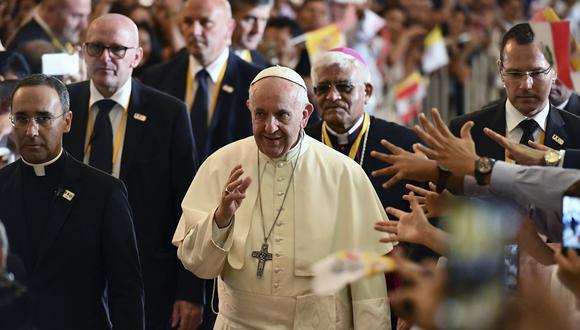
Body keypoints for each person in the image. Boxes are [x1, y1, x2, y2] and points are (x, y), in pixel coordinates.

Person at [173, 66, 392, 329]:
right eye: (260, 114)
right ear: (249, 109)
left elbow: (367, 285)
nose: (270, 127)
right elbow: (199, 267)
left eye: (282, 115)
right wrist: (221, 218)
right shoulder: (221, 164)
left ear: (305, 114)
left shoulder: (343, 174)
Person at [61, 14, 200, 330]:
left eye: (117, 49)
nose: (105, 57)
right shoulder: (63, 104)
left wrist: (190, 292)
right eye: (96, 47)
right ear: (84, 51)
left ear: (137, 56)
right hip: (71, 276)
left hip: (146, 279)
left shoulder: (169, 114)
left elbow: (188, 206)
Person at [0, 74, 144, 329]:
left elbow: (126, 289)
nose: (31, 131)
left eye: (43, 118)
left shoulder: (103, 192)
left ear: (67, 122)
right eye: (22, 119)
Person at [306, 47, 422, 214]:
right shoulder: (301, 143)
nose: (332, 96)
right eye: (323, 88)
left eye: (344, 87)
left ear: (367, 92)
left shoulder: (403, 144)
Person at [141, 0, 261, 161]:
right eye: (188, 22)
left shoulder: (255, 81)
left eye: (206, 23)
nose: (194, 31)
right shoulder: (156, 78)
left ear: (229, 28)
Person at [449, 23, 580, 162]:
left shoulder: (577, 132)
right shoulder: (465, 132)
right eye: (515, 73)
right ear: (500, 70)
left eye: (537, 73)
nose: (526, 85)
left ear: (554, 71)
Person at [7, 0, 90, 73]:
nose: (84, 25)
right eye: (76, 16)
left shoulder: (57, 36)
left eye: (87, 16)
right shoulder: (29, 45)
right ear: (51, 10)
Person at [230, 0, 272, 67]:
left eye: (263, 20)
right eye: (250, 19)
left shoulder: (261, 65)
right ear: (230, 17)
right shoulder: (210, 59)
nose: (258, 30)